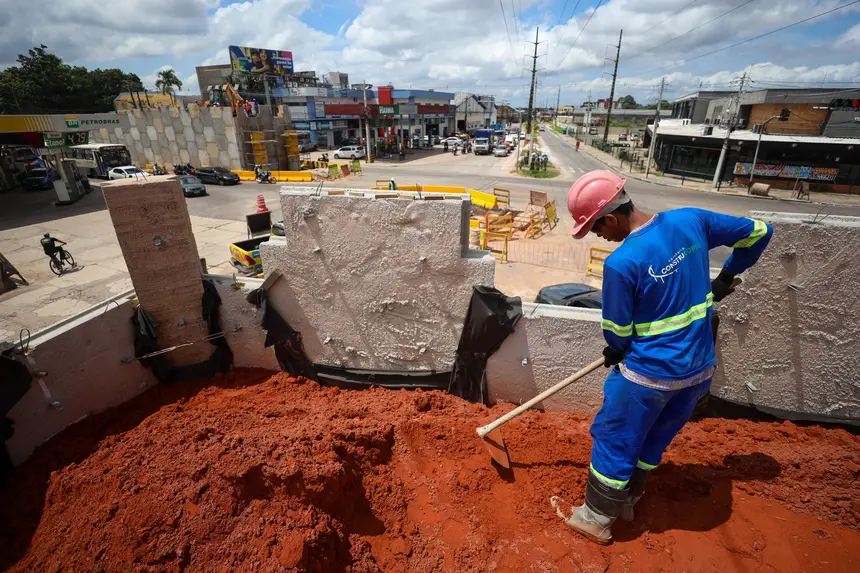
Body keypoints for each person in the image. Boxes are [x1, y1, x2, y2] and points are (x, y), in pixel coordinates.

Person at [556, 170, 773, 545]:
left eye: (596, 229)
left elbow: (619, 334)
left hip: (648, 377)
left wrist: (615, 351)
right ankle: (628, 500)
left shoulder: (622, 263)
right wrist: (723, 280)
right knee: (654, 439)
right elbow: (760, 232)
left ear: (610, 218)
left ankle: (595, 518)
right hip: (698, 372)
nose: (600, 237)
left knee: (615, 439)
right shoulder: (690, 220)